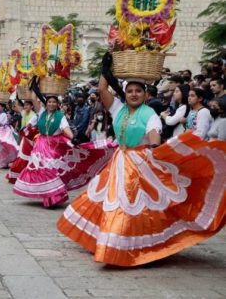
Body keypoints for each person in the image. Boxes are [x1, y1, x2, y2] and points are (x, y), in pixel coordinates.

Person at [57, 54, 226, 267]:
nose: (134, 94)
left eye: (138, 91)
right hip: (119, 160)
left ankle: (124, 244)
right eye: (130, 91)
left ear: (145, 95)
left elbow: (154, 136)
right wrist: (105, 68)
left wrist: (156, 148)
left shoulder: (150, 114)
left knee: (129, 204)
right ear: (125, 94)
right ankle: (113, 241)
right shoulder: (118, 108)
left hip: (140, 162)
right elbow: (102, 91)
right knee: (110, 200)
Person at [13, 95, 116, 207]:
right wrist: (35, 88)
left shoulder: (60, 116)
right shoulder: (41, 112)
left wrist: (73, 138)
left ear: (57, 104)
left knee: (51, 168)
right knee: (41, 169)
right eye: (49, 102)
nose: (51, 104)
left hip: (54, 146)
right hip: (40, 144)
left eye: (54, 102)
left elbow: (65, 128)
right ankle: (48, 195)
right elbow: (33, 98)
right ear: (46, 104)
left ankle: (54, 196)